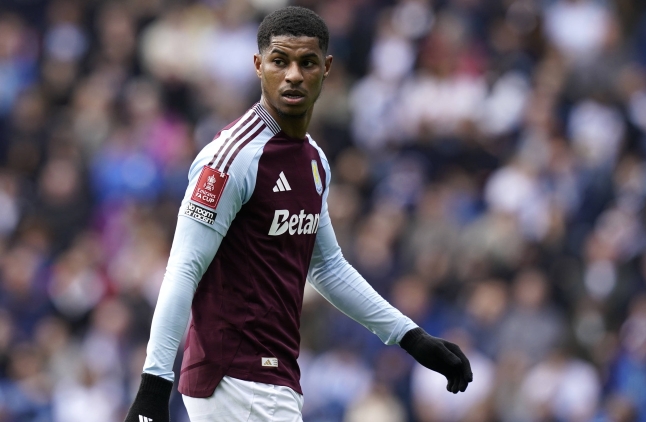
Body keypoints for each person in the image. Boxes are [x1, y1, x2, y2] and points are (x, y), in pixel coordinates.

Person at [124, 6, 472, 422]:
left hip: (273, 377)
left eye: (307, 62)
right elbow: (184, 266)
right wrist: (154, 386)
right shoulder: (232, 157)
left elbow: (327, 267)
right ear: (258, 66)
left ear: (326, 68)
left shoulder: (314, 160)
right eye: (279, 61)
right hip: (236, 377)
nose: (293, 75)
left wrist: (411, 337)